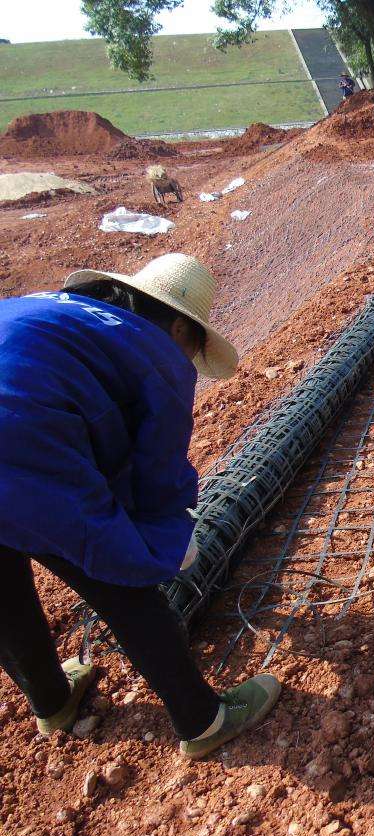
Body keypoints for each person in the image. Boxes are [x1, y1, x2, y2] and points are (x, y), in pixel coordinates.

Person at [0, 254, 281, 760]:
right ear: (179, 326)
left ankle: (52, 702)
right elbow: (158, 476)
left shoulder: (66, 314)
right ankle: (203, 720)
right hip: (17, 444)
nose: (189, 362)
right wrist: (170, 539)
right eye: (194, 347)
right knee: (119, 572)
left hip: (19, 433)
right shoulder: (156, 354)